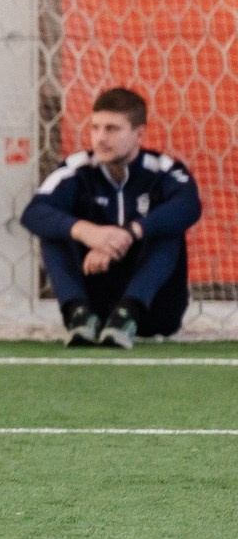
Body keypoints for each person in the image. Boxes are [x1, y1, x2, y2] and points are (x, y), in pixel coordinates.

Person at [20, 87, 201, 348]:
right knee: (55, 228)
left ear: (139, 133)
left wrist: (128, 233)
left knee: (169, 227)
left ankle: (127, 314)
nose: (100, 138)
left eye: (112, 129)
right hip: (95, 305)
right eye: (95, 128)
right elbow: (33, 212)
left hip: (152, 311)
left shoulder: (162, 170)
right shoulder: (77, 170)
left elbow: (189, 206)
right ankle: (78, 317)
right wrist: (87, 232)